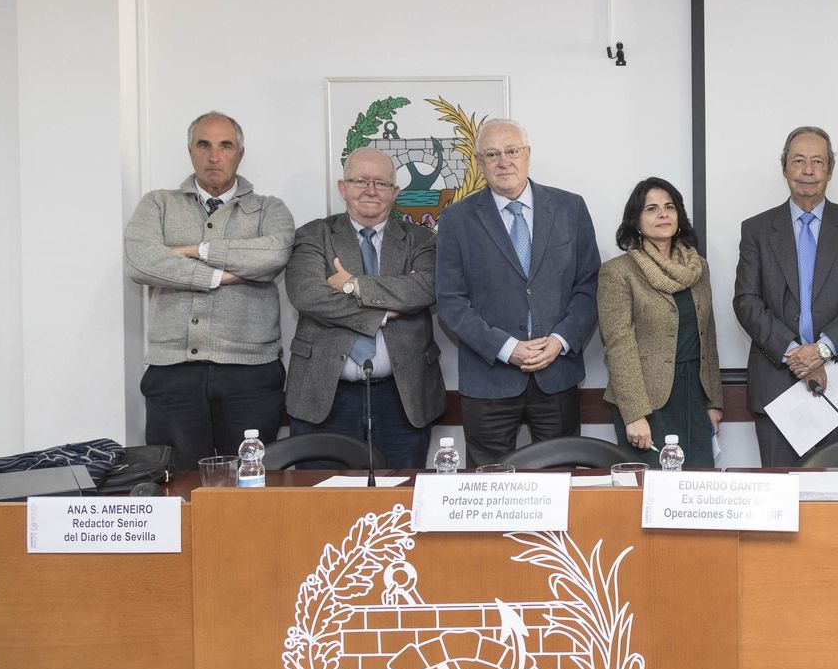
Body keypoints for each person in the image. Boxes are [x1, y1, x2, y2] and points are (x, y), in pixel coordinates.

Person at [124, 111, 295, 469]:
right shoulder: (158, 204)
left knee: (250, 482)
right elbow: (139, 262)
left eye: (225, 146)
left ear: (240, 153)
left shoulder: (268, 208)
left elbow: (274, 255)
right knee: (176, 481)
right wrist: (219, 276)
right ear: (190, 151)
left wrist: (193, 250)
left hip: (250, 372)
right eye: (204, 145)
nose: (214, 156)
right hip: (172, 371)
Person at [435, 119, 599, 466]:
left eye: (511, 151)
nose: (503, 161)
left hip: (556, 375)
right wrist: (507, 348)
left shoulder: (570, 208)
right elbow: (450, 301)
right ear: (479, 163)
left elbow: (589, 285)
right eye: (492, 154)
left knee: (560, 479)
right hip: (488, 380)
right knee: (489, 486)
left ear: (527, 154)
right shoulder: (455, 219)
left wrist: (559, 341)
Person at [282, 148, 445, 468]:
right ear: (343, 188)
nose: (371, 190)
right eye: (360, 181)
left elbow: (425, 289)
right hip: (323, 395)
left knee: (399, 493)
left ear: (395, 193)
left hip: (403, 398)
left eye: (381, 183)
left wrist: (352, 285)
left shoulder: (421, 239)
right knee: (321, 494)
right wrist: (384, 312)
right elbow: (308, 295)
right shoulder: (313, 235)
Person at [734, 127, 838, 467]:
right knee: (782, 492)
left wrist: (821, 351)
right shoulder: (756, 230)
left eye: (818, 161)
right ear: (784, 167)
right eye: (798, 161)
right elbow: (746, 300)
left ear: (830, 170)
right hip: (777, 384)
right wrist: (795, 355)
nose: (808, 171)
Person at [597, 178, 724, 468]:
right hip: (647, 402)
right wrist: (634, 413)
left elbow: (708, 335)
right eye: (651, 209)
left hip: (695, 396)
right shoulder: (618, 272)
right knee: (652, 488)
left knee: (698, 486)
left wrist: (714, 401)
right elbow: (618, 346)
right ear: (636, 221)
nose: (663, 214)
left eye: (669, 207)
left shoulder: (698, 267)